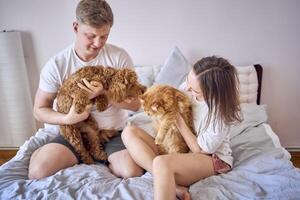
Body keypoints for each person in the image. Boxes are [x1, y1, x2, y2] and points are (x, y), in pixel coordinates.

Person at [28, 0, 144, 180]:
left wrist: (103, 94)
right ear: (75, 27)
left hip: (113, 133)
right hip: (76, 132)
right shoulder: (57, 65)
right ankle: (72, 154)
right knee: (38, 171)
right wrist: (68, 118)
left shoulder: (119, 57)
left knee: (132, 172)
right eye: (91, 36)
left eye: (104, 36)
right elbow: (39, 110)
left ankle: (104, 159)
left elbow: (136, 104)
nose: (98, 43)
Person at [122, 56, 242, 200]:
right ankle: (173, 185)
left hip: (210, 158)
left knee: (161, 162)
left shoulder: (220, 113)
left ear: (213, 92)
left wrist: (177, 119)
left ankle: (165, 175)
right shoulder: (188, 87)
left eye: (195, 91)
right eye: (188, 81)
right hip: (184, 148)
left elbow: (200, 150)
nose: (188, 89)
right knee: (129, 132)